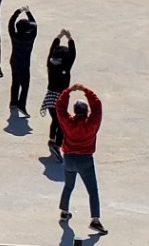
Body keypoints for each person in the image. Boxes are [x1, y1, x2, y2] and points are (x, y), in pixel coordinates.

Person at [55, 84, 106, 235]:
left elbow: (60, 107)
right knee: (92, 191)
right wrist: (86, 91)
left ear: (75, 111)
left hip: (69, 158)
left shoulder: (68, 122)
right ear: (87, 112)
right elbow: (97, 105)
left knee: (68, 186)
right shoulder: (92, 124)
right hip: (85, 160)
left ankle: (64, 212)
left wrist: (68, 91)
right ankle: (95, 221)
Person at [42, 29, 77, 157]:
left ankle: (52, 140)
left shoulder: (50, 64)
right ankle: (57, 144)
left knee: (55, 120)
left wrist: (58, 37)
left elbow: (52, 50)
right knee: (61, 122)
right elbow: (73, 54)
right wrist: (69, 37)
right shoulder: (66, 66)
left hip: (50, 97)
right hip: (61, 99)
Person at [7, 6, 38, 117]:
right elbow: (35, 25)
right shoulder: (30, 37)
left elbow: (11, 23)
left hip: (14, 61)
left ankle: (13, 102)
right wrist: (28, 12)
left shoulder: (14, 35)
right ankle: (21, 104)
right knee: (25, 85)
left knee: (15, 82)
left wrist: (18, 12)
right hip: (25, 64)